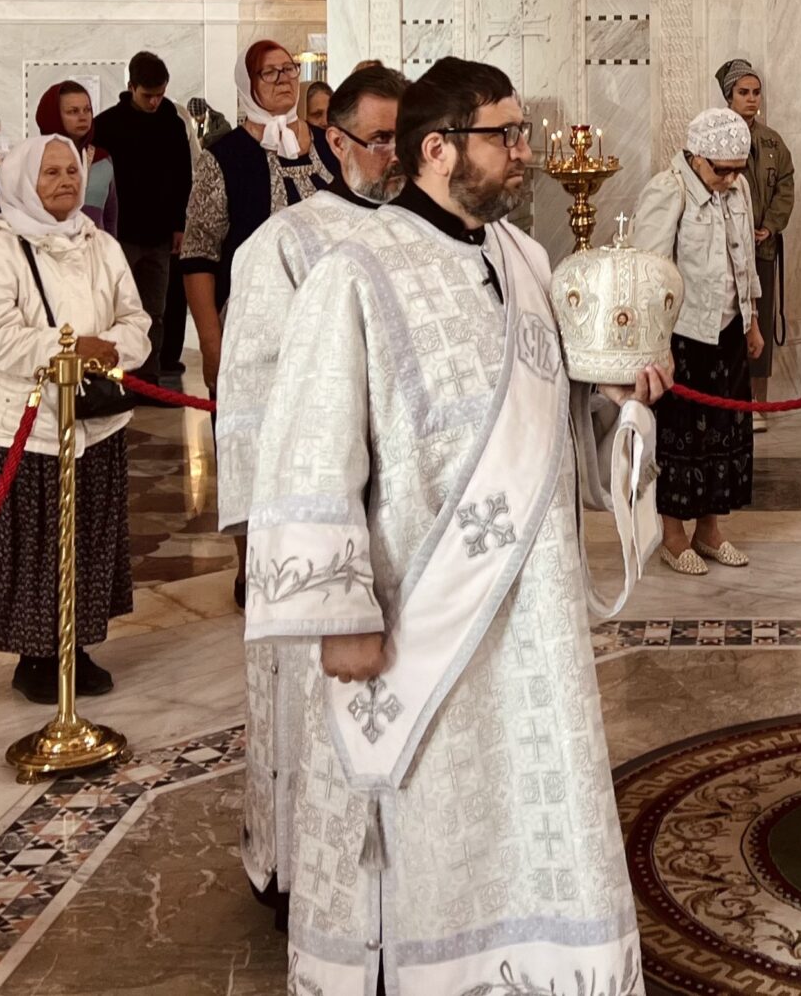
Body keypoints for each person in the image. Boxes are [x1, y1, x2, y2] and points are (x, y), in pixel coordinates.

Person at [246, 56, 665, 996]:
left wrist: (615, 400)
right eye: (506, 135)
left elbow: (554, 425)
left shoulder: (526, 261)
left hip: (534, 610)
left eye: (522, 133)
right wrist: (339, 614)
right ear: (438, 149)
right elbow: (311, 448)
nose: (526, 152)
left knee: (529, 798)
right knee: (434, 802)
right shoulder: (354, 271)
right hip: (415, 615)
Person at [219, 64, 407, 924]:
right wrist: (260, 543)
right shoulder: (285, 244)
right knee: (310, 704)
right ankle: (297, 870)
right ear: (337, 140)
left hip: (402, 523)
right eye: (380, 139)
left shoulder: (425, 234)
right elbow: (251, 398)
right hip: (316, 523)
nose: (395, 155)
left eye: (408, 138)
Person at [0, 135, 150, 704]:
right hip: (26, 431)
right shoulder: (2, 251)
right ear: (25, 181)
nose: (66, 180)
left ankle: (77, 646)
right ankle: (36, 657)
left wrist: (108, 350)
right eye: (51, 173)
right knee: (36, 546)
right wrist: (70, 350)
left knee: (87, 540)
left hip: (95, 424)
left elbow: (136, 319)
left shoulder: (101, 245)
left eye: (73, 170)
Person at [634, 106, 762, 574]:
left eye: (736, 170)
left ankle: (709, 530)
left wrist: (751, 319)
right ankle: (672, 535)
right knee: (682, 437)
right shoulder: (668, 190)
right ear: (696, 157)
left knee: (725, 433)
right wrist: (657, 346)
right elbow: (651, 274)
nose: (729, 179)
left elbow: (743, 259)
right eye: (721, 170)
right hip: (683, 337)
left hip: (728, 330)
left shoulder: (738, 188)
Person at [182, 40, 336, 387]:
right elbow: (198, 255)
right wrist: (211, 344)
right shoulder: (224, 158)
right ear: (247, 83)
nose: (283, 79)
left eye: (289, 69)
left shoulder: (331, 145)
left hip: (328, 326)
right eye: (269, 72)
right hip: (251, 336)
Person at [90, 52, 193, 379]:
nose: (154, 102)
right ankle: (117, 378)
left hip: (160, 234)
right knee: (118, 308)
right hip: (121, 233)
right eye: (148, 95)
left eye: (160, 94)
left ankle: (149, 376)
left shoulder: (172, 124)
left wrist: (179, 225)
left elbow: (183, 176)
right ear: (131, 87)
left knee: (154, 310)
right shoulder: (107, 125)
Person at [716, 58, 794, 426]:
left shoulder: (773, 142)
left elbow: (785, 186)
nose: (752, 99)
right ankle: (731, 398)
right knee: (731, 322)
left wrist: (771, 226)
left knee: (760, 319)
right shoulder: (715, 138)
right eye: (743, 92)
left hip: (762, 248)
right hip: (724, 252)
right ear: (729, 96)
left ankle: (758, 403)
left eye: (756, 92)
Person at [33, 80, 116, 233]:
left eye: (87, 110)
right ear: (53, 115)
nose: (83, 117)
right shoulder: (33, 159)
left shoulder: (102, 160)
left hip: (93, 245)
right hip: (45, 244)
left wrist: (110, 246)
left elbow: (110, 217)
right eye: (73, 111)